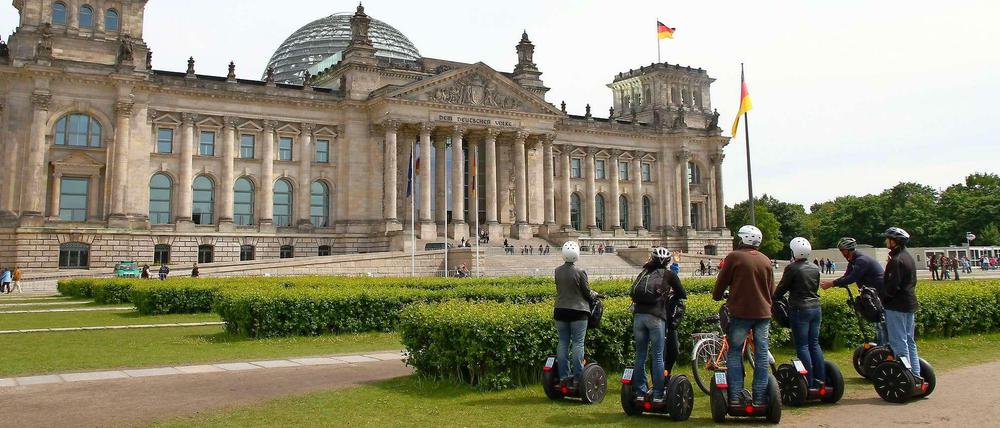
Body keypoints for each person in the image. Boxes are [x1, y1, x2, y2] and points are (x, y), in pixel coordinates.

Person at [713, 225, 775, 407]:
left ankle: (734, 396)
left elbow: (721, 282)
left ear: (742, 240)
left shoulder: (734, 257)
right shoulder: (765, 260)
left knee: (734, 352)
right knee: (761, 354)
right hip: (763, 314)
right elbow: (772, 292)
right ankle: (760, 397)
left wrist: (717, 296)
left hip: (741, 313)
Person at [630, 247, 687, 403]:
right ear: (667, 261)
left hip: (639, 317)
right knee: (658, 356)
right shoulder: (669, 274)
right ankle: (657, 393)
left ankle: (640, 391)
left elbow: (632, 292)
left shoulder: (643, 273)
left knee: (640, 355)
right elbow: (682, 294)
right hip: (656, 317)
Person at [774, 237, 825, 389]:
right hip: (816, 307)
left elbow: (781, 289)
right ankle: (820, 378)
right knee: (814, 344)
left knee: (802, 346)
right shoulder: (815, 268)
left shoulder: (792, 268)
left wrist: (775, 297)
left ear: (794, 252)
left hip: (800, 308)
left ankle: (807, 382)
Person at [821, 237, 886, 344]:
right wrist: (832, 282)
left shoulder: (861, 260)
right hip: (872, 294)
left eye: (842, 250)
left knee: (881, 324)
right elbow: (846, 276)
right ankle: (881, 347)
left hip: (879, 295)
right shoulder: (853, 261)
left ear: (848, 250)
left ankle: (884, 348)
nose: (841, 253)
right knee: (878, 324)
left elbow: (852, 278)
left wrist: (831, 284)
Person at [553, 241, 598, 389]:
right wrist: (594, 295)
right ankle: (578, 377)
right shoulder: (580, 272)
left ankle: (564, 376)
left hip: (560, 310)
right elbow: (586, 292)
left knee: (563, 342)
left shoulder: (557, 271)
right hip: (578, 312)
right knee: (578, 343)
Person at [880, 227, 921, 378]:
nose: (886, 241)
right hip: (909, 303)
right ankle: (915, 375)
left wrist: (882, 299)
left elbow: (892, 286)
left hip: (896, 306)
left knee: (898, 342)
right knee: (910, 342)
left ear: (894, 242)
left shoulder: (896, 261)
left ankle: (906, 375)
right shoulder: (908, 257)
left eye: (888, 239)